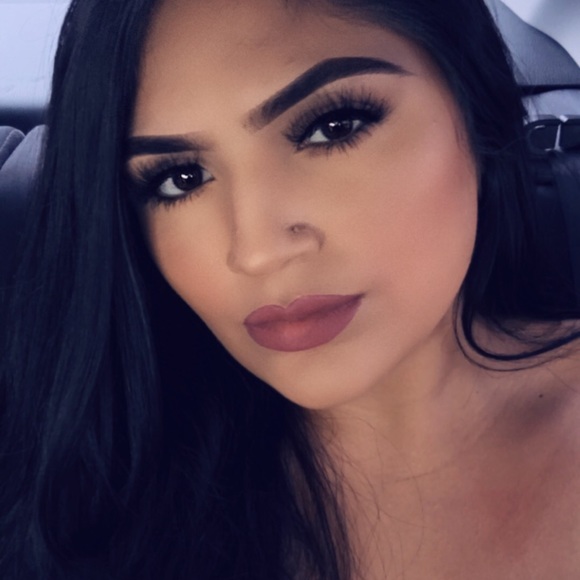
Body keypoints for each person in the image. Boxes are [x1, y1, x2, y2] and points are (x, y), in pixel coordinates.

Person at [1, 0, 580, 578]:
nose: (256, 252)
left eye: (333, 128)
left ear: (477, 111)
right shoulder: (90, 498)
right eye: (180, 179)